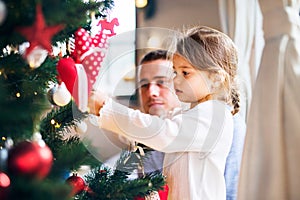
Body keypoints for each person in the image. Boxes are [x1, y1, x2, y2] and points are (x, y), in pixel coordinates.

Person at [88, 26, 239, 199]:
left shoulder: (214, 116)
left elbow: (161, 132)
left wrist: (106, 108)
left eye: (185, 73)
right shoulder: (188, 115)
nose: (176, 79)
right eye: (175, 72)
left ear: (216, 78)